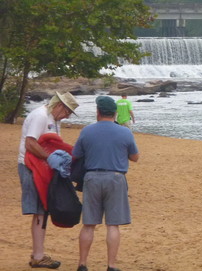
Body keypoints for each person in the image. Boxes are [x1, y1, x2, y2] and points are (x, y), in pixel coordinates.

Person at [73, 96, 139, 271]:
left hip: (92, 178)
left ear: (98, 112)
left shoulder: (87, 131)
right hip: (116, 178)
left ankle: (82, 263)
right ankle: (111, 265)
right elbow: (135, 157)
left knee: (88, 224)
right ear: (115, 113)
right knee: (113, 224)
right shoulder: (125, 132)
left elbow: (76, 153)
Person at [17, 91, 79, 269]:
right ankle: (38, 255)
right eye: (67, 111)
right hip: (31, 166)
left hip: (41, 166)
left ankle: (38, 253)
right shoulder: (41, 116)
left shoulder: (52, 118)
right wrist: (50, 158)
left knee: (42, 210)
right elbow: (30, 143)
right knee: (40, 210)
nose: (67, 116)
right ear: (59, 105)